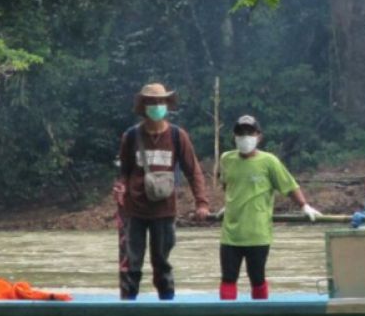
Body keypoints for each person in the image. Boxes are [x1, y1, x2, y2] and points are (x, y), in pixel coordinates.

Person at [118, 82, 210, 300]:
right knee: (131, 263)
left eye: (160, 101)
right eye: (151, 102)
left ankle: (167, 304)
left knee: (162, 263)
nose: (156, 106)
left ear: (167, 105)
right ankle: (128, 307)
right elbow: (124, 171)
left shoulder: (178, 137)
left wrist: (202, 202)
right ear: (144, 106)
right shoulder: (131, 137)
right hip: (134, 210)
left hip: (164, 210)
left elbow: (193, 171)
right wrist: (120, 189)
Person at [218, 115, 321, 300]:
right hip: (230, 233)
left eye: (249, 132)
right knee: (228, 278)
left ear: (259, 136)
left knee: (257, 278)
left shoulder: (269, 162)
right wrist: (229, 204)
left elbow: (289, 186)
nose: (244, 137)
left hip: (257, 233)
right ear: (234, 136)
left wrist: (304, 206)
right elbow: (228, 185)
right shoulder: (226, 159)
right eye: (240, 133)